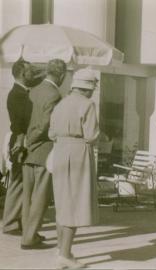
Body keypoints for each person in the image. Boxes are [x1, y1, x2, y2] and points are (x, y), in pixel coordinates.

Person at [48, 68, 100, 268]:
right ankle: (65, 255)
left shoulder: (61, 103)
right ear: (88, 88)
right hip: (78, 153)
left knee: (62, 202)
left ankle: (61, 250)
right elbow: (91, 135)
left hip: (60, 151)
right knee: (75, 203)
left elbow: (51, 133)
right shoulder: (87, 105)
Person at [21, 59, 67, 249]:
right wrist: (33, 140)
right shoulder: (54, 95)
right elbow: (45, 123)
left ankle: (28, 233)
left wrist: (26, 142)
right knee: (40, 196)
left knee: (28, 196)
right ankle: (29, 238)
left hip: (28, 151)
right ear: (62, 75)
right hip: (43, 149)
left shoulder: (33, 90)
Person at [2, 59, 34, 234]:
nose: (32, 74)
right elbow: (19, 122)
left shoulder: (20, 92)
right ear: (22, 73)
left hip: (21, 139)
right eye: (30, 71)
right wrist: (21, 142)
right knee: (17, 182)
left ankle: (14, 221)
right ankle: (10, 223)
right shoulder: (18, 94)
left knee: (20, 181)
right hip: (20, 141)